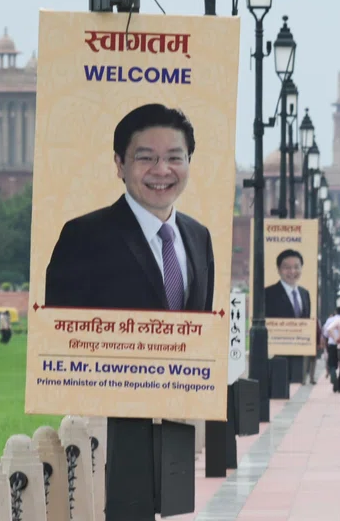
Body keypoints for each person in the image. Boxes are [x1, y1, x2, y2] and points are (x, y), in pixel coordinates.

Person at [44, 103, 214, 521]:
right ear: (120, 164)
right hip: (111, 423)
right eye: (146, 158)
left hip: (174, 418)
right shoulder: (84, 236)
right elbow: (60, 331)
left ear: (189, 162)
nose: (162, 170)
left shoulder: (198, 237)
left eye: (174, 157)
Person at [264, 249, 312, 319]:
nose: (292, 271)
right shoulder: (267, 294)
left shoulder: (305, 293)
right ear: (278, 269)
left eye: (296, 267)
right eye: (287, 267)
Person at [323, 307, 340, 391]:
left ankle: (333, 376)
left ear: (336, 312)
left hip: (332, 344)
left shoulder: (330, 320)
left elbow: (325, 333)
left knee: (332, 364)